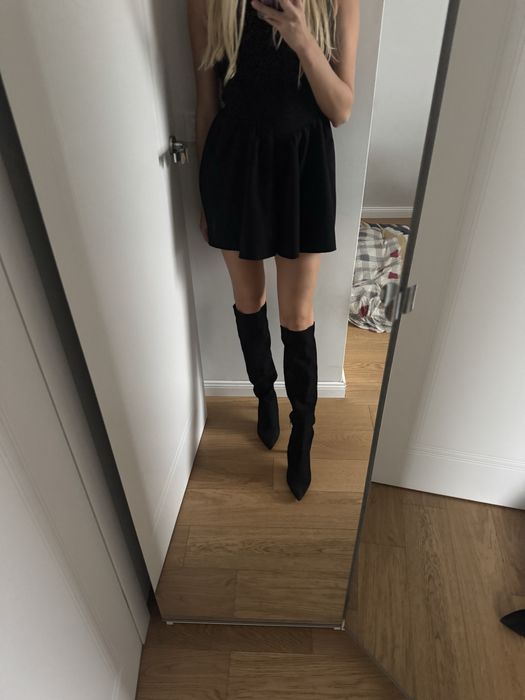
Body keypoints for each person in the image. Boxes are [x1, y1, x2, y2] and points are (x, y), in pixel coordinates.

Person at [187, 0, 359, 500]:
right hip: (234, 161)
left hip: (303, 164)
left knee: (297, 312)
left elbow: (341, 109)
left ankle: (302, 431)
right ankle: (264, 394)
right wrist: (206, 194)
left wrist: (303, 39)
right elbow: (206, 105)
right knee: (248, 299)